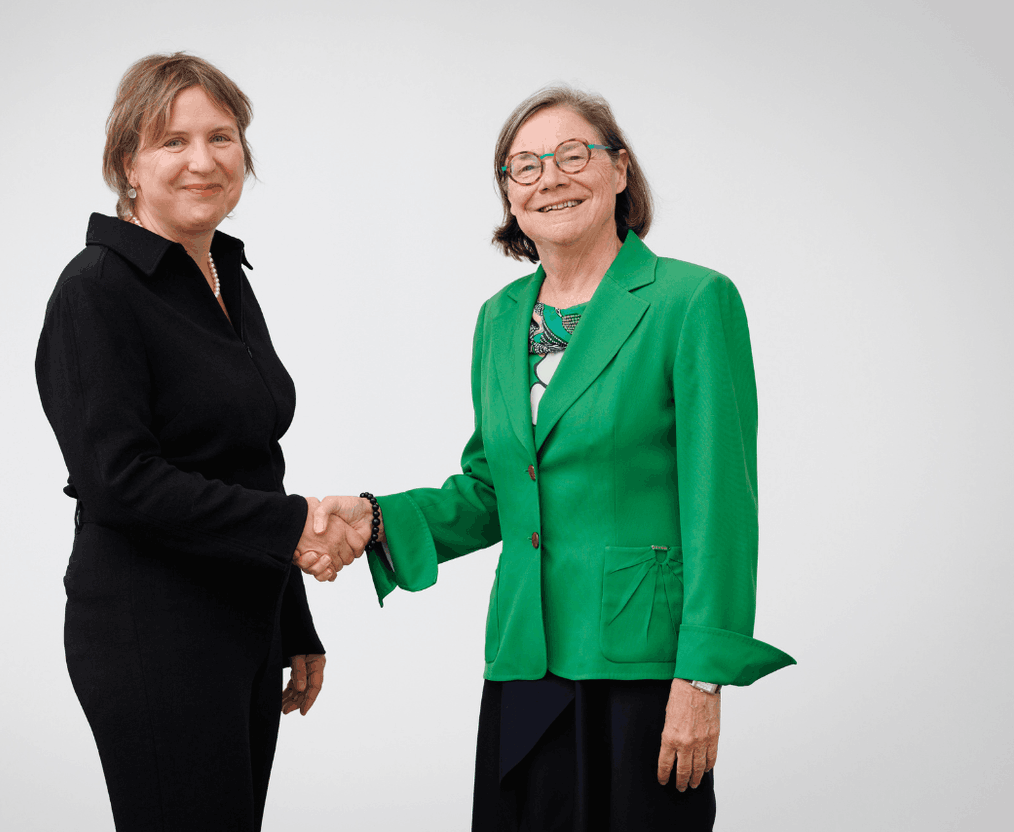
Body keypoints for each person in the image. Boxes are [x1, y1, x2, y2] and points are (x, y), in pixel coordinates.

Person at [309, 86, 796, 830]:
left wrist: (701, 675)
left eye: (574, 155)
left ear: (620, 171)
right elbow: (494, 488)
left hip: (642, 665)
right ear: (507, 193)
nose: (549, 177)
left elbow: (720, 505)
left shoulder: (691, 302)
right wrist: (375, 519)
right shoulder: (498, 317)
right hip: (523, 657)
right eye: (524, 165)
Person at [34, 53, 364, 832]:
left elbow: (249, 459)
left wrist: (291, 616)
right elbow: (120, 480)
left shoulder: (222, 270)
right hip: (153, 628)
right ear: (128, 164)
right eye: (172, 141)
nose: (203, 160)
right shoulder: (95, 290)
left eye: (221, 137)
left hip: (241, 619)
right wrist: (295, 530)